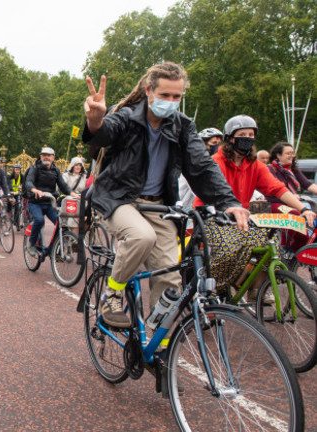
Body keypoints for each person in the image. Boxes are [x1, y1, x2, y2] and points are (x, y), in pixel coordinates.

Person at [83, 61, 249, 329]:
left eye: (176, 97)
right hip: (118, 198)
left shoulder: (183, 126)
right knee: (141, 236)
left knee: (171, 276)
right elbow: (103, 134)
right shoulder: (127, 116)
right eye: (164, 95)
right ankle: (111, 295)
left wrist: (229, 203)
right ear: (148, 90)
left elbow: (202, 166)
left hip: (157, 205)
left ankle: (158, 341)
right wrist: (95, 119)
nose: (171, 102)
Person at [194, 116, 317, 301]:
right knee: (229, 248)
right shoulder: (216, 161)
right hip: (212, 214)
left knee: (270, 244)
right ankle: (210, 288)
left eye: (251, 134)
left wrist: (302, 209)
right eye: (242, 134)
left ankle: (255, 289)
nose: (247, 138)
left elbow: (277, 188)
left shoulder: (255, 165)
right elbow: (209, 192)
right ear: (230, 138)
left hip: (242, 217)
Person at [25, 147, 80, 256]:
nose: (46, 157)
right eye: (44, 155)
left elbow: (63, 186)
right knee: (40, 220)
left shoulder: (56, 170)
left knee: (61, 223)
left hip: (50, 203)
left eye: (49, 155)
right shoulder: (34, 168)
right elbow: (28, 182)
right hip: (35, 202)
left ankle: (51, 249)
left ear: (53, 157)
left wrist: (74, 195)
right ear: (40, 156)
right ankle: (31, 243)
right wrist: (35, 190)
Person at [265, 141, 317, 251]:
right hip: (274, 204)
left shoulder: (292, 169)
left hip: (291, 203)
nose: (291, 156)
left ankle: (294, 259)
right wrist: (292, 196)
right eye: (288, 153)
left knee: (304, 237)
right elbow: (275, 190)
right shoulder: (270, 169)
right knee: (294, 214)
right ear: (278, 155)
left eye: (292, 153)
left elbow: (307, 185)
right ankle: (284, 247)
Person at [61, 157, 87, 233]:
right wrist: (73, 195)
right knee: (73, 217)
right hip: (70, 199)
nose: (78, 167)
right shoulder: (66, 175)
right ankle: (74, 239)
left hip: (82, 199)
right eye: (76, 165)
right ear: (72, 166)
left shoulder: (84, 177)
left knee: (89, 216)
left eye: (80, 165)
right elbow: (63, 187)